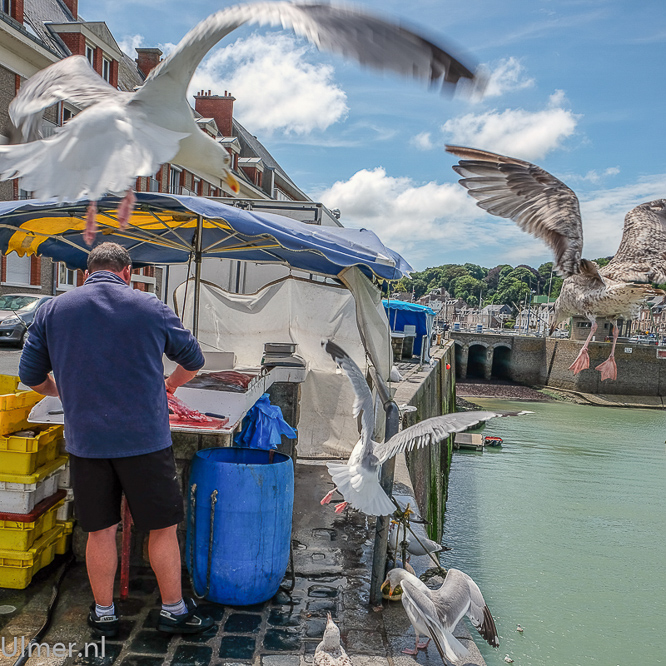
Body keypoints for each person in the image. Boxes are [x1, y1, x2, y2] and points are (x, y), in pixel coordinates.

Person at [19, 242, 213, 637]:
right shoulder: (150, 307)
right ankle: (173, 611)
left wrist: (60, 390)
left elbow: (31, 375)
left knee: (100, 530)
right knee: (161, 528)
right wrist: (169, 387)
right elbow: (193, 360)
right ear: (127, 272)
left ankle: (104, 614)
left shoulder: (53, 310)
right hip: (145, 440)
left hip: (88, 444)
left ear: (87, 273)